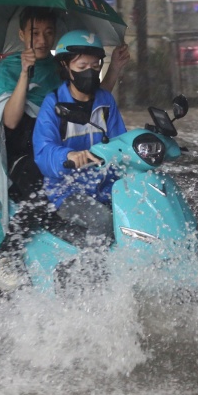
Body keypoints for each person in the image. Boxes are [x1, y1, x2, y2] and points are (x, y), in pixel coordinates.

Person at [0, 7, 129, 264]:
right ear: (21, 35)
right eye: (35, 33)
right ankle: (8, 256)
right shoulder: (8, 69)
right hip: (23, 153)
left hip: (61, 147)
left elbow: (91, 99)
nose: (42, 40)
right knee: (43, 193)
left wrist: (115, 68)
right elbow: (10, 120)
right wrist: (24, 74)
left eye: (48, 33)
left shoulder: (59, 67)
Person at [33, 30, 128, 242]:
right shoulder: (54, 104)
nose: (90, 73)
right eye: (82, 67)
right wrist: (69, 156)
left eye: (95, 67)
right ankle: (91, 273)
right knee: (102, 220)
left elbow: (121, 141)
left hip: (105, 188)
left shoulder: (105, 101)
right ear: (66, 67)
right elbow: (43, 151)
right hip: (66, 192)